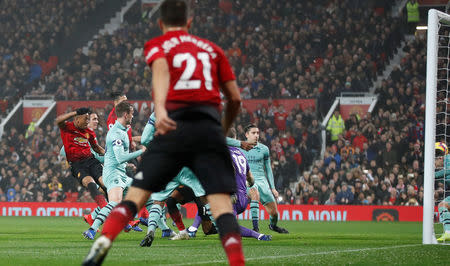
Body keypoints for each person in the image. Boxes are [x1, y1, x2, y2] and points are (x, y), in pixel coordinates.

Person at [83, 1, 244, 265]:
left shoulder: (158, 46)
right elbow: (235, 100)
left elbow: (159, 81)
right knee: (221, 207)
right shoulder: (213, 50)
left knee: (134, 198)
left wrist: (161, 112)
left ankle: (98, 249)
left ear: (161, 24)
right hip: (206, 133)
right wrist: (220, 131)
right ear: (189, 23)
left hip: (173, 132)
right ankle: (237, 262)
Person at [83, 101, 146, 240]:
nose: (133, 117)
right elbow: (119, 158)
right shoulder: (117, 133)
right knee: (114, 202)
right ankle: (92, 229)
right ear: (125, 114)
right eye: (132, 114)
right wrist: (140, 152)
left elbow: (112, 156)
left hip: (120, 172)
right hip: (113, 174)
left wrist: (127, 165)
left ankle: (148, 220)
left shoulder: (122, 131)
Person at [227, 124, 289, 234]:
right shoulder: (238, 147)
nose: (256, 135)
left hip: (262, 181)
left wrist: (273, 188)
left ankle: (273, 226)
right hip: (246, 180)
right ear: (246, 135)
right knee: (254, 193)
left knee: (274, 213)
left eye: (258, 133)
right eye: (253, 133)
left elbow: (268, 169)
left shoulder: (264, 149)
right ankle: (255, 228)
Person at [56, 107, 107, 210]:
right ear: (77, 119)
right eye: (86, 119)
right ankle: (105, 208)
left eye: (89, 119)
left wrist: (109, 156)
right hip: (78, 165)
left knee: (106, 184)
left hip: (91, 161)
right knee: (90, 184)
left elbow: (96, 148)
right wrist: (75, 112)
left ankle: (117, 213)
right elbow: (58, 120)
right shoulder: (67, 128)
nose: (87, 122)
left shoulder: (89, 132)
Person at [228, 129, 271, 241]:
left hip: (232, 196)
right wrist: (247, 184)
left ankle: (258, 235)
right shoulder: (241, 154)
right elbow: (251, 179)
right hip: (243, 199)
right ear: (235, 138)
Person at [434, 142, 450, 242]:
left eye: (434, 160)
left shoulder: (448, 157)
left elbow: (448, 171)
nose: (434, 164)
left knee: (442, 205)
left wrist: (433, 175)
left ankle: (448, 232)